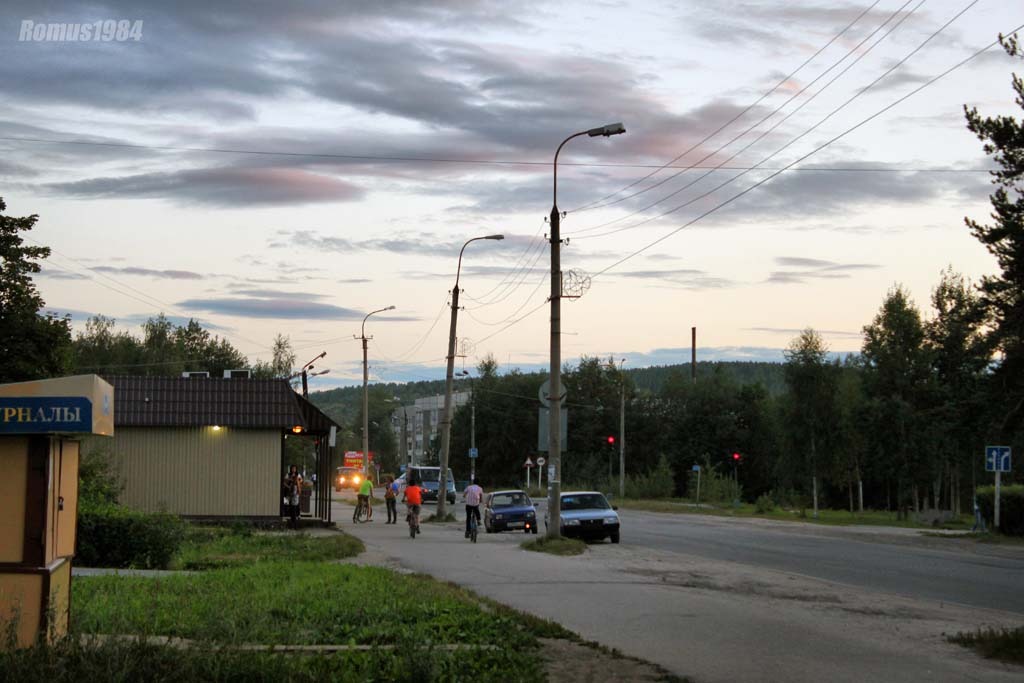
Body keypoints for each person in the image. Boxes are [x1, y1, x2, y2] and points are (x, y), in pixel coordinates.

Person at [283, 465, 302, 529]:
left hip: (295, 494)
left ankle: (295, 520)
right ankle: (293, 521)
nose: (294, 470)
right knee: (290, 506)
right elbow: (284, 482)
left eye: (295, 468)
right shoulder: (288, 475)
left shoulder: (298, 476)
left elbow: (300, 482)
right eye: (293, 468)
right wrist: (288, 486)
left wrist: (298, 483)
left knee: (294, 507)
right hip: (289, 493)